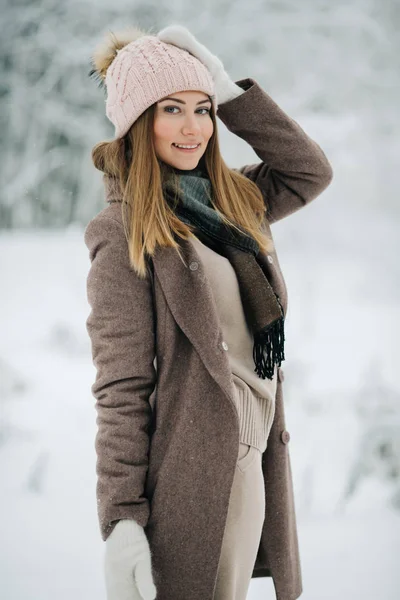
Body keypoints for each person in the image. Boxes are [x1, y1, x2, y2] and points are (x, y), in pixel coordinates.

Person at [85, 23, 333, 600]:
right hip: (194, 478)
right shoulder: (124, 232)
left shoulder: (236, 202)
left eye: (203, 109)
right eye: (172, 109)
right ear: (136, 121)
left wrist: (229, 91)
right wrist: (121, 516)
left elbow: (309, 171)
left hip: (255, 460)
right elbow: (120, 385)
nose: (194, 127)